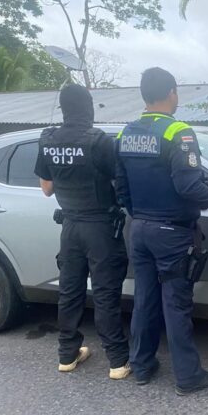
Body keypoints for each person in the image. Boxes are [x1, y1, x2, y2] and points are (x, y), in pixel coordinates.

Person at [115, 67, 208, 395]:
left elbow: (120, 186)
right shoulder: (178, 132)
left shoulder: (126, 133)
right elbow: (189, 187)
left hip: (139, 229)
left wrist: (140, 215)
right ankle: (188, 376)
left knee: (144, 299)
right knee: (176, 303)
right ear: (171, 92)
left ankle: (142, 365)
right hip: (171, 233)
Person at [34, 83, 131, 379]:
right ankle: (117, 361)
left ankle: (67, 355)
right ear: (88, 107)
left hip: (70, 227)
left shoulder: (48, 140)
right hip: (100, 228)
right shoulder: (98, 141)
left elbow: (47, 189)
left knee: (70, 291)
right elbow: (120, 183)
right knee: (105, 293)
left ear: (63, 109)